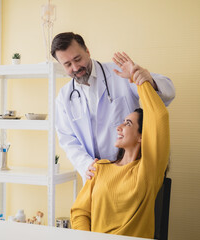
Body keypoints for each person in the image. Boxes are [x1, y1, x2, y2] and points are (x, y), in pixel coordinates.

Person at [70, 52, 170, 238]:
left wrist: (138, 79)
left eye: (128, 123)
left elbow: (159, 116)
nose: (119, 127)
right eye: (123, 121)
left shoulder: (147, 170)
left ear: (142, 136)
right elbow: (80, 212)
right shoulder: (99, 168)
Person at [51, 32, 175, 180]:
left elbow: (169, 91)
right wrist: (85, 164)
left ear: (87, 52)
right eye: (68, 64)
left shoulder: (120, 73)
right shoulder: (64, 97)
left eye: (78, 59)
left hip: (130, 171)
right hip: (96, 175)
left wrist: (148, 80)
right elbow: (67, 139)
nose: (76, 67)